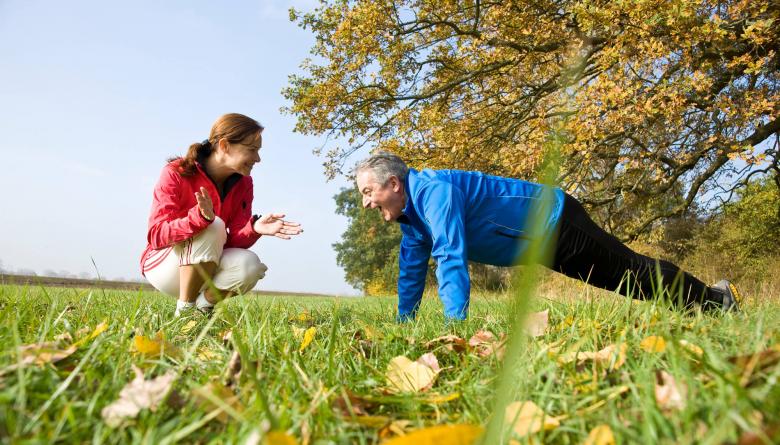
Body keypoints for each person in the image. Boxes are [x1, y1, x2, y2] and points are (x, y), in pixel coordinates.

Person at [354, 151, 741, 321]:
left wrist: (456, 328)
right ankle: (702, 306)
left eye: (368, 193)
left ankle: (717, 298)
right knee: (618, 282)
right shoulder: (412, 218)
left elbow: (450, 255)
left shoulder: (434, 192)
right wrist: (407, 325)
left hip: (553, 219)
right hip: (538, 244)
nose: (367, 204)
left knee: (629, 270)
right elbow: (411, 272)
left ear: (393, 183)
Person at [140, 113, 303, 316]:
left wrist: (253, 229)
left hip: (206, 263)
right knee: (214, 224)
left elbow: (230, 241)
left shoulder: (244, 183)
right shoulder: (176, 171)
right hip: (164, 267)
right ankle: (184, 313)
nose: (258, 159)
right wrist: (198, 219)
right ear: (224, 145)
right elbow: (156, 235)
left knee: (250, 266)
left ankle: (202, 308)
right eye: (252, 150)